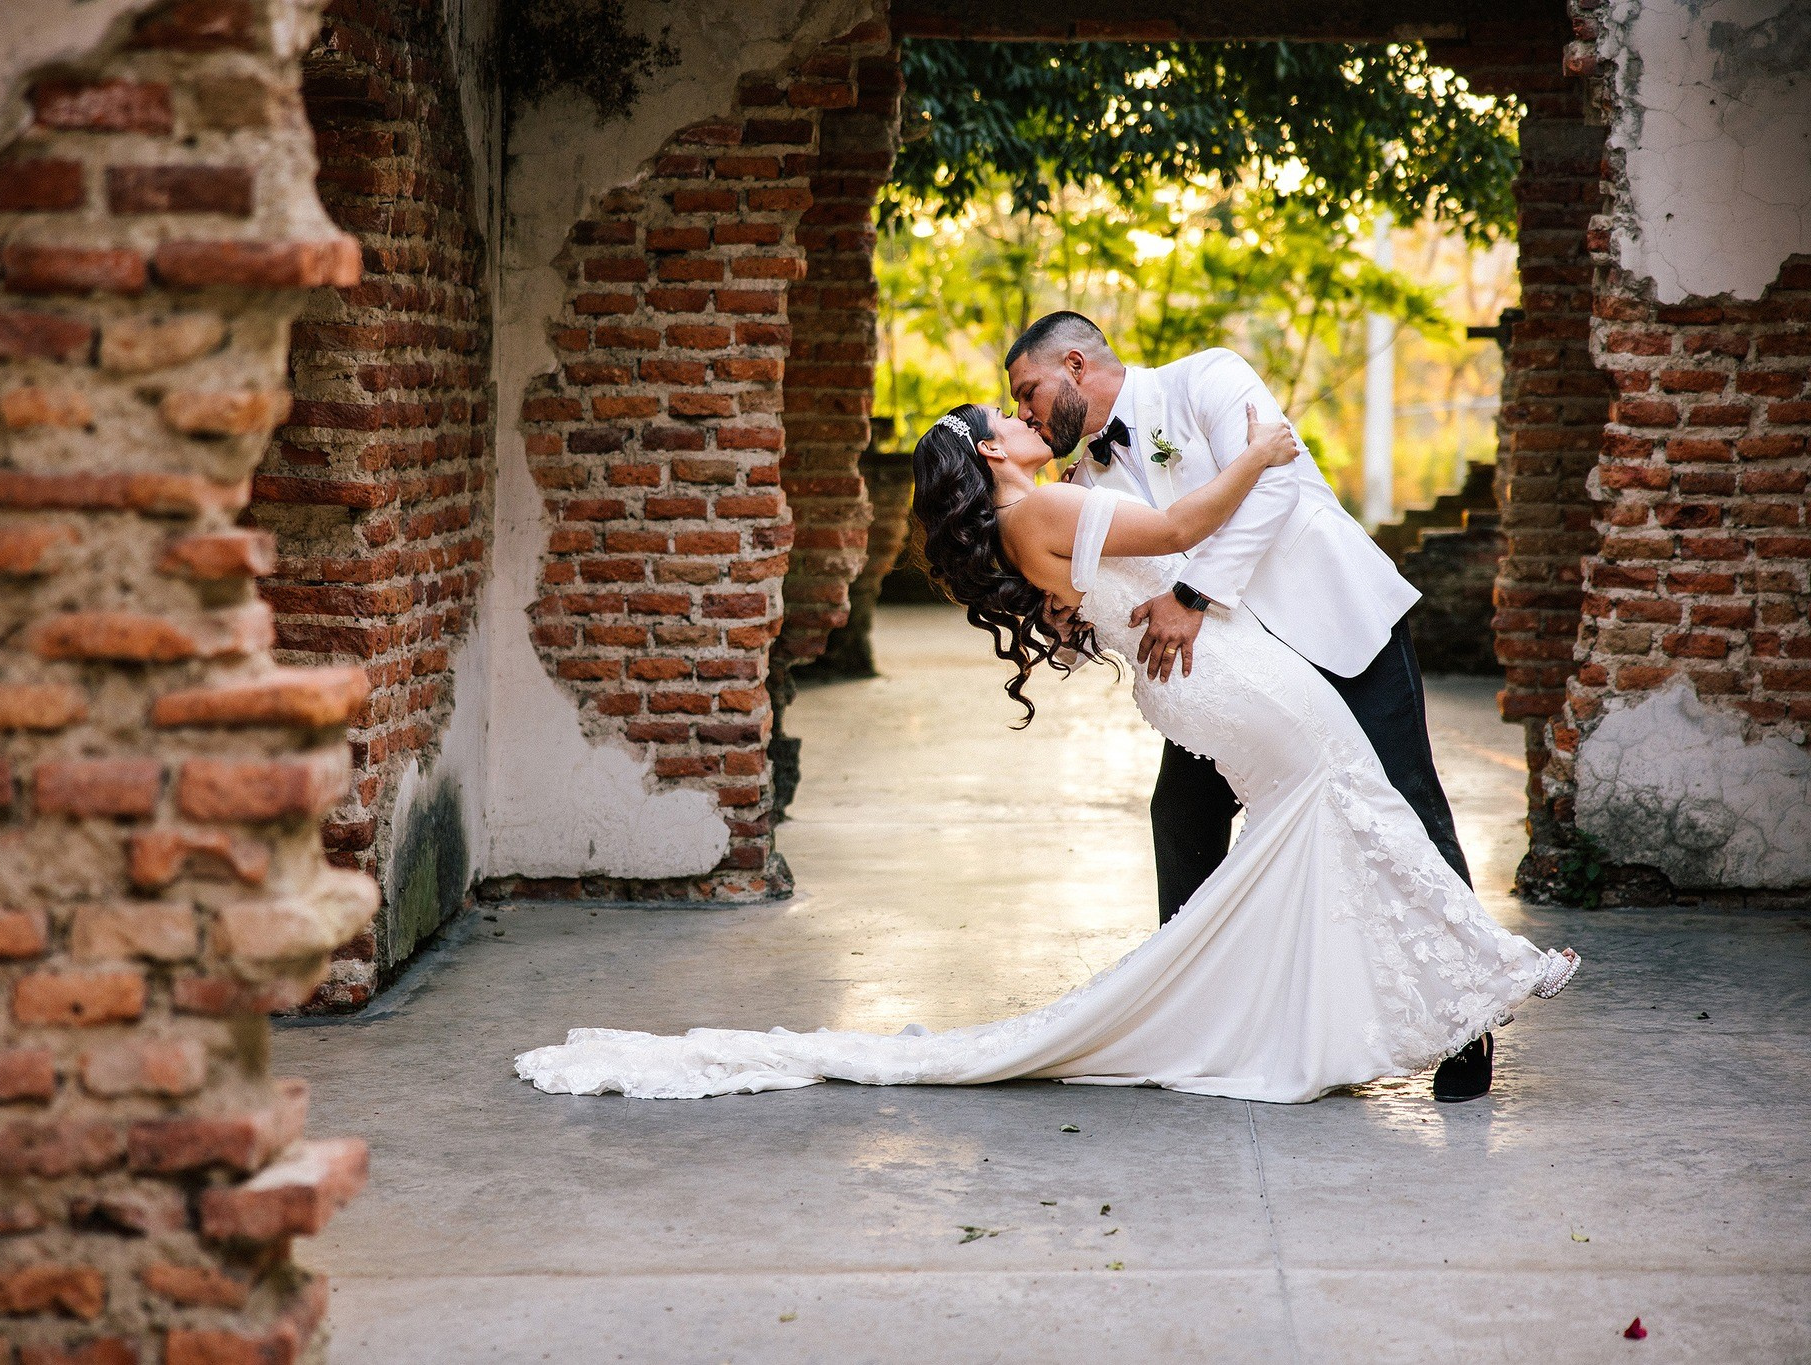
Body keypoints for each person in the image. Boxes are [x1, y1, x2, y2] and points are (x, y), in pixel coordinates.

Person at [514, 401, 1578, 1104]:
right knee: (1346, 803)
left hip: (1201, 691)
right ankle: (1454, 992)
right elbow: (1174, 536)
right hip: (1226, 682)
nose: (1024, 421)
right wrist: (1259, 453)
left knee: (1327, 823)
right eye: (1004, 420)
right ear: (988, 453)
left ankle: (1345, 1013)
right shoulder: (1047, 507)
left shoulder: (1029, 520)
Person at [1004, 311, 1493, 1102]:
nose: (1026, 413)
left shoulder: (1207, 377)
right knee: (1182, 814)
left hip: (1334, 627)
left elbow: (1277, 482)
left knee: (1405, 801)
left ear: (1074, 365)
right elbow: (1111, 595)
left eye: (1028, 393)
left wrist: (1193, 594)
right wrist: (1065, 626)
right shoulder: (1080, 485)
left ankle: (1470, 1019)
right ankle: (1196, 1016)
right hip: (1236, 680)